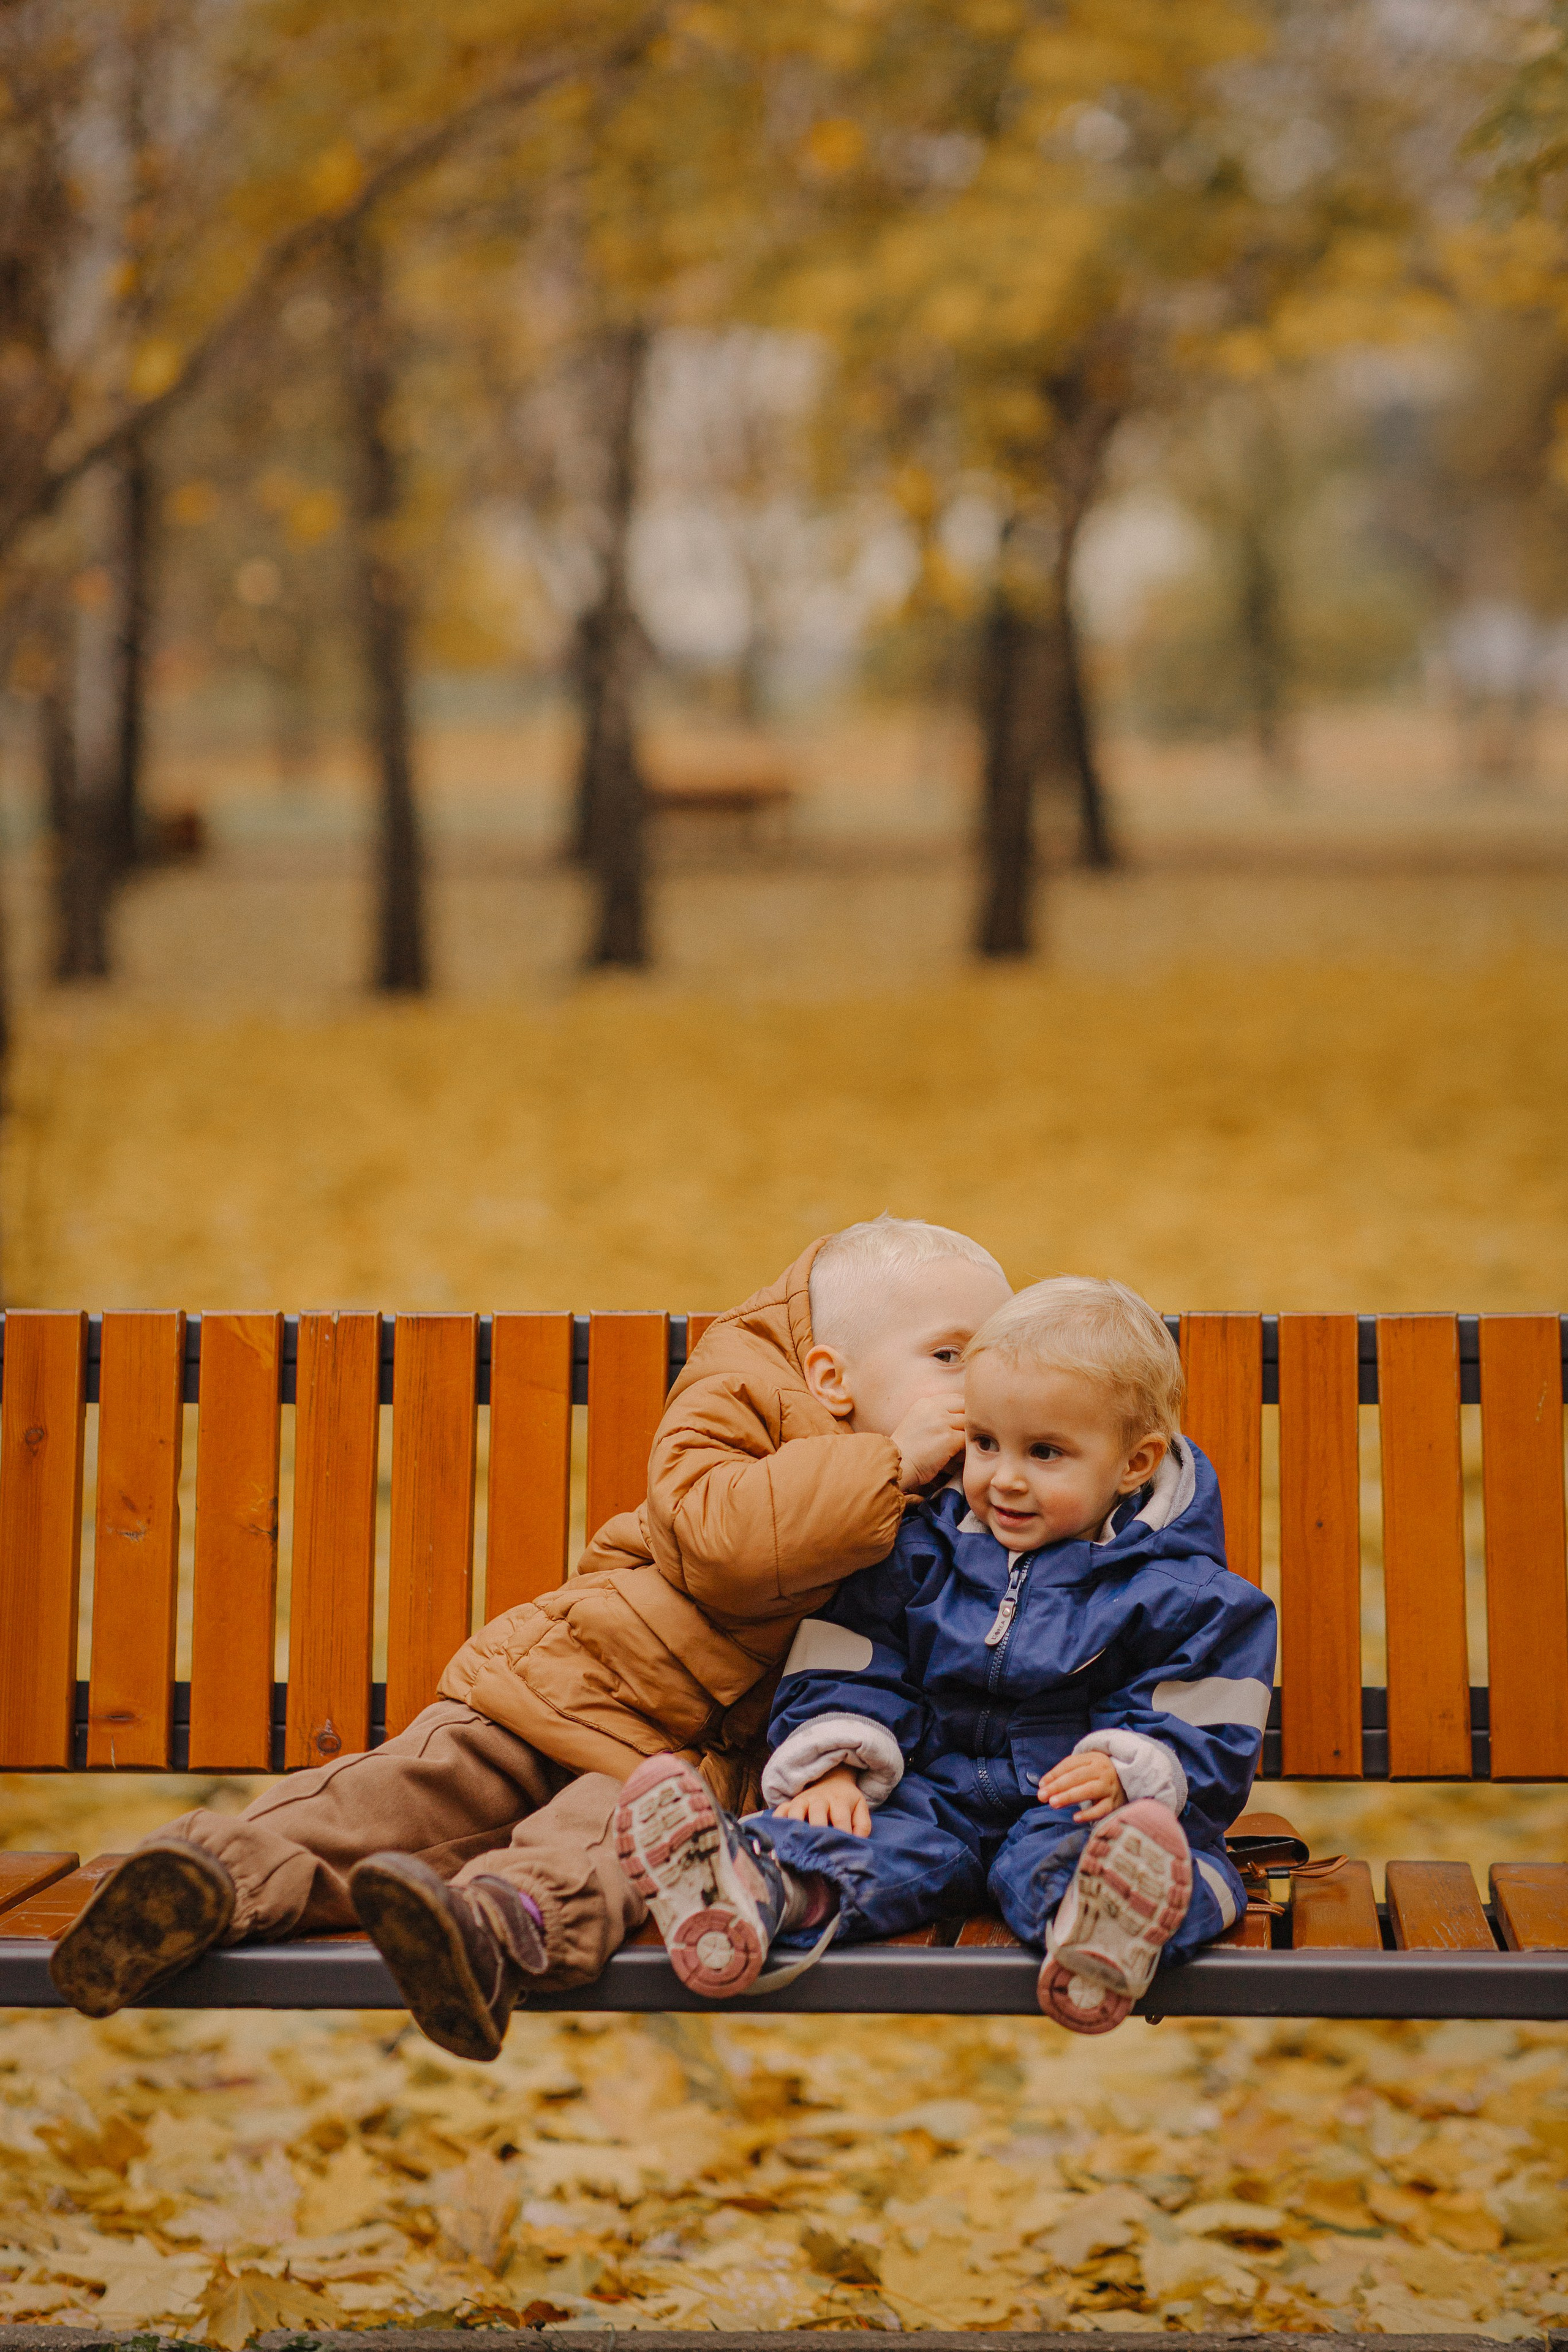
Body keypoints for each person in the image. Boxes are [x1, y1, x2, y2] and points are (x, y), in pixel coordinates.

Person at [50, 1218, 1011, 2059]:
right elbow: (726, 1545)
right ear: (831, 1375)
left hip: (680, 1770)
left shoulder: (975, 1500)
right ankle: (203, 1882)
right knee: (400, 1794)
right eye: (949, 1357)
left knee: (604, 1845)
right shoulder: (747, 1405)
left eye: (994, 1359)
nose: (977, 1389)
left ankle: (486, 1934)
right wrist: (886, 1460)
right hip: (566, 1682)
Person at [613, 1275, 1277, 2035]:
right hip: (930, 1798)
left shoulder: (1191, 1596)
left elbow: (1205, 1720)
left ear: (1135, 1463)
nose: (1005, 1477)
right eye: (985, 1443)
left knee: (1110, 1861)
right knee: (848, 1839)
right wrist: (837, 1759)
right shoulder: (922, 1548)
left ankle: (1110, 1929)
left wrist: (1129, 1766)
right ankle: (743, 1892)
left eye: (1046, 1453)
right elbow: (855, 1656)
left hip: (1075, 1810)